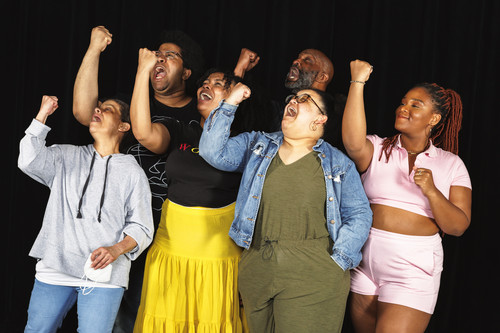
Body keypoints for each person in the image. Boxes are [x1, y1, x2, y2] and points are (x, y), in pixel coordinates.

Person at [199, 82, 373, 333]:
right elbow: (212, 151)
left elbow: (359, 213)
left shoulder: (338, 163)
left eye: (303, 99)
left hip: (313, 271)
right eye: (292, 97)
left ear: (320, 119)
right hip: (258, 265)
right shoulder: (258, 145)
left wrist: (338, 260)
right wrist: (230, 102)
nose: (292, 100)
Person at [72, 26, 205, 332]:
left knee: (150, 316)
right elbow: (82, 112)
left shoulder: (196, 115)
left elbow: (148, 137)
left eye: (170, 56)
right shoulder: (127, 101)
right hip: (115, 227)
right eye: (157, 54)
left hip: (168, 234)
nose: (159, 58)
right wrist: (94, 49)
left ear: (186, 73)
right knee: (111, 317)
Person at [129, 44, 257, 332]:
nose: (206, 86)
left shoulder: (244, 144)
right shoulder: (180, 130)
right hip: (171, 248)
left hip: (218, 256)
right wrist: (142, 71)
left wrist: (237, 75)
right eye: (204, 83)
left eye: (217, 84)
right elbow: (142, 132)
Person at [342, 60, 472, 333]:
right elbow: (353, 143)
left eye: (415, 105)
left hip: (412, 268)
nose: (403, 108)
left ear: (434, 119)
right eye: (403, 102)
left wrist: (432, 191)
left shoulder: (451, 164)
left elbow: (457, 226)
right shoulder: (378, 148)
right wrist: (358, 83)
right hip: (364, 262)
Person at [19, 95, 154, 333]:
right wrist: (42, 116)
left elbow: (142, 227)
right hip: (55, 267)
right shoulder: (65, 156)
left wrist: (116, 249)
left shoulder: (133, 172)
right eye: (97, 108)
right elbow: (28, 161)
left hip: (105, 276)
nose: (98, 111)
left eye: (107, 109)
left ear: (123, 126)